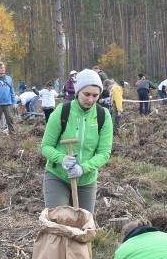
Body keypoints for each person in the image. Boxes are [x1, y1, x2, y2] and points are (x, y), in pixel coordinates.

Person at [40, 69, 113, 214]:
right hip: (58, 177)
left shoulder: (103, 115)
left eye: (95, 95)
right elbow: (46, 146)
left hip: (87, 180)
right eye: (86, 94)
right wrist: (61, 159)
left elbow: (104, 153)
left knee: (84, 227)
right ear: (78, 91)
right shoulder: (62, 111)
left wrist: (83, 168)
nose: (90, 99)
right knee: (58, 222)